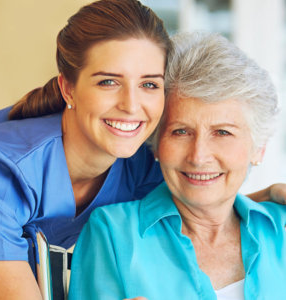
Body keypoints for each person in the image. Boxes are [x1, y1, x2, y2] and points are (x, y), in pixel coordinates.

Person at [0, 1, 284, 299]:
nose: (130, 105)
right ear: (68, 89)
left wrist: (264, 200)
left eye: (149, 85)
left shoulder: (141, 161)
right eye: (108, 82)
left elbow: (202, 193)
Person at [68, 32, 286, 300]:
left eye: (222, 133)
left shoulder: (281, 230)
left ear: (259, 147)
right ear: (156, 144)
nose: (198, 156)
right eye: (180, 132)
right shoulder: (113, 232)